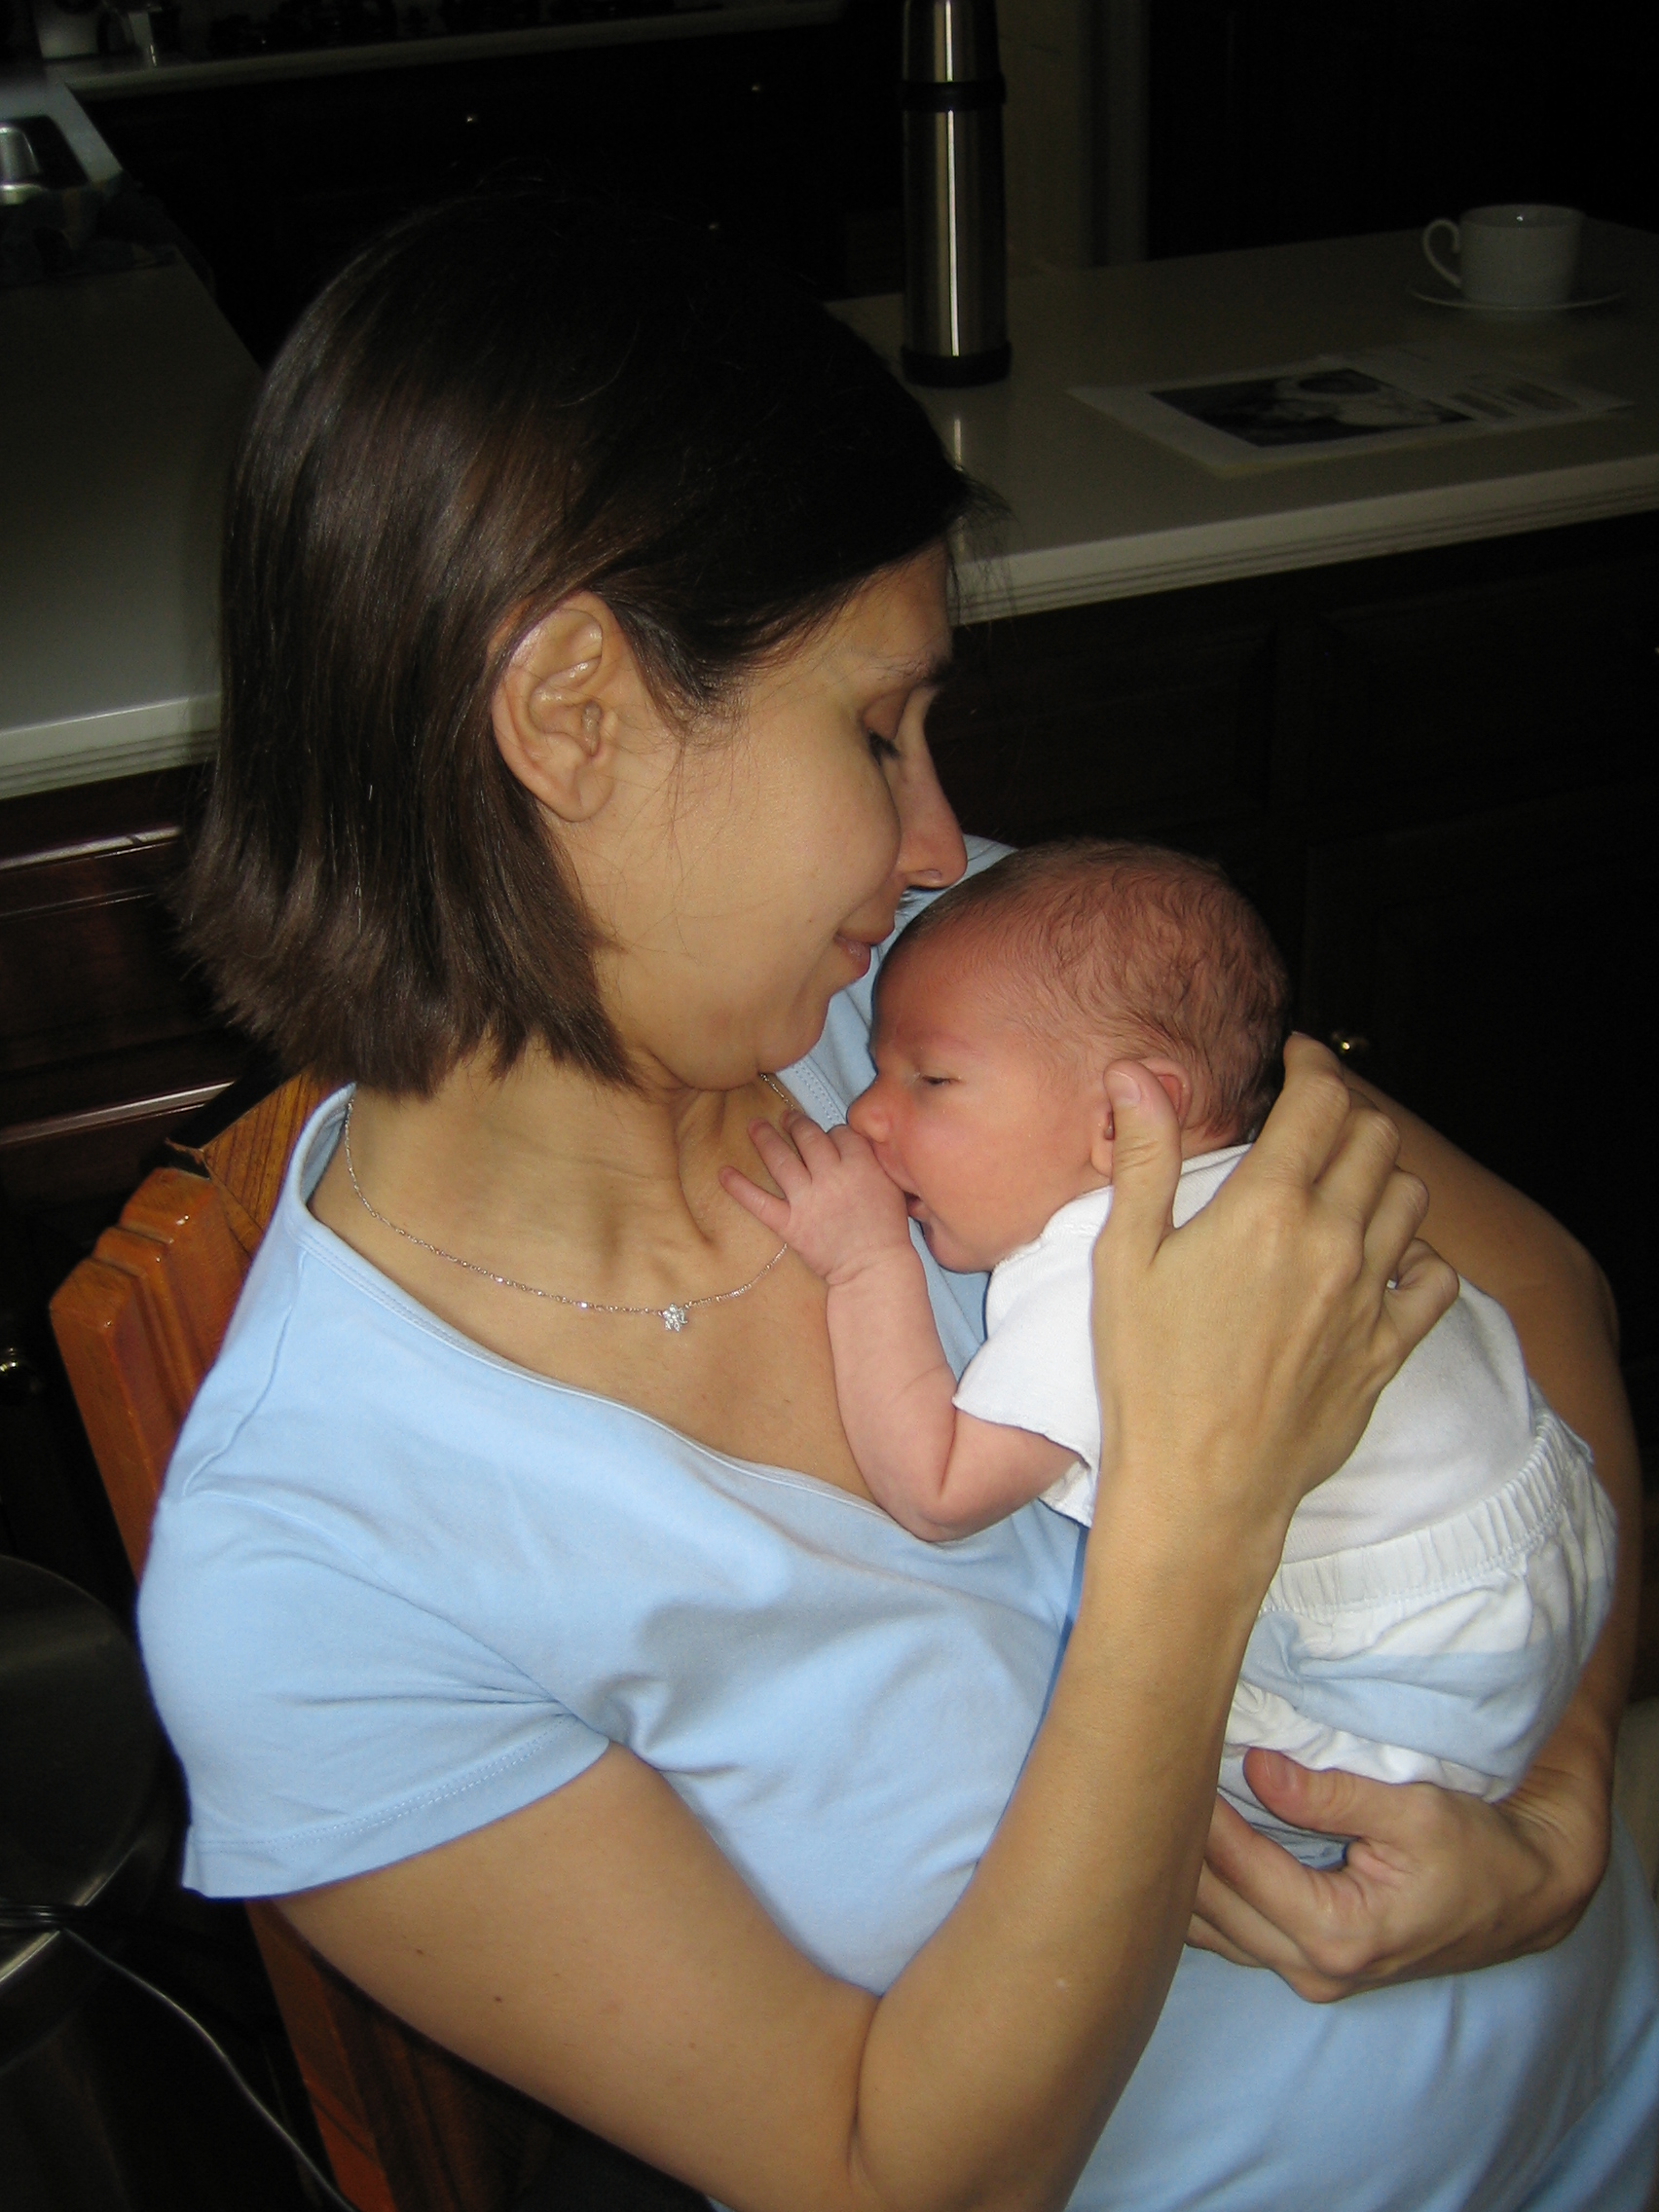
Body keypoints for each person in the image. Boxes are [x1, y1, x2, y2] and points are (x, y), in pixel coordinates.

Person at [136, 190, 1658, 2212]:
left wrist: (1558, 1790)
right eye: (874, 729)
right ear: (572, 714)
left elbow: (1533, 1280)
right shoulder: (319, 1579)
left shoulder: (943, 1005)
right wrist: (1191, 1525)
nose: (941, 837)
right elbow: (892, 2180)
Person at [720, 839, 1619, 1864]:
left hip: (1403, 1668)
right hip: (1552, 1514)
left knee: (1116, 1786)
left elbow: (939, 1488)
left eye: (931, 1078)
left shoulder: (1111, 1261)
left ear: (1127, 1117)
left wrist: (865, 1260)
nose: (869, 1116)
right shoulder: (1274, 1185)